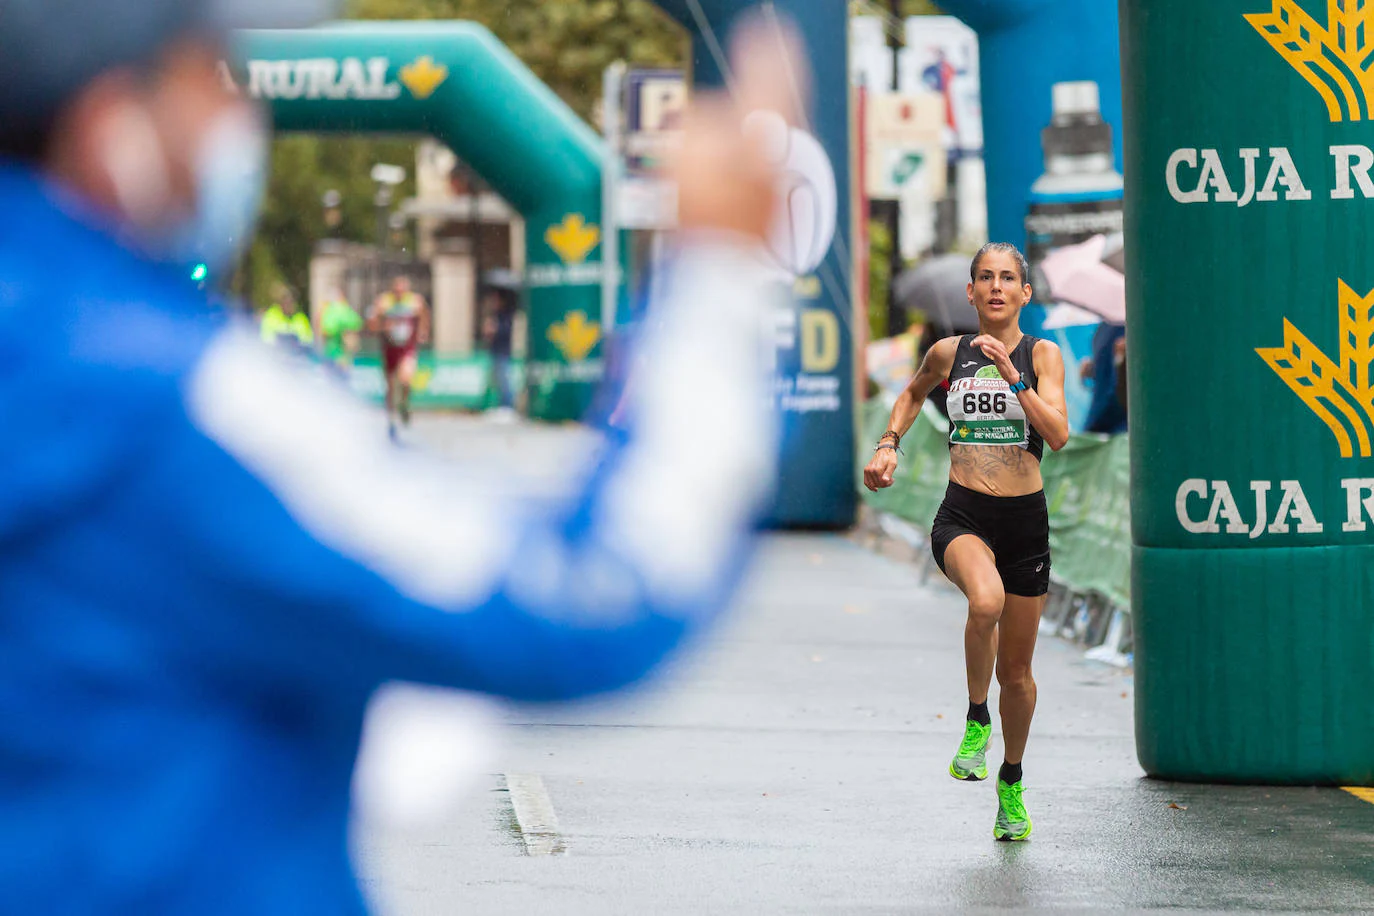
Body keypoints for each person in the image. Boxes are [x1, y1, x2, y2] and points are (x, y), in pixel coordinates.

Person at [0, 0, 802, 909]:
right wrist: (719, 274)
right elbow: (591, 589)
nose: (239, 121)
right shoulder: (176, 399)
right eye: (210, 83)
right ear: (114, 130)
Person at [863, 242, 1069, 842]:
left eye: (1009, 278)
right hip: (964, 515)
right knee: (986, 603)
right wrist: (887, 444)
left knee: (1021, 675)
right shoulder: (947, 353)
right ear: (972, 293)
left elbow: (1057, 435)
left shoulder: (1042, 354)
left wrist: (1016, 380)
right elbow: (908, 394)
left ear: (1025, 294)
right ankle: (977, 717)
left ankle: (1011, 781)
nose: (997, 287)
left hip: (1025, 522)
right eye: (986, 278)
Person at [368, 274, 429, 435]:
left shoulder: (415, 301)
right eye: (397, 290)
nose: (399, 293)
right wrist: (382, 326)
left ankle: (404, 404)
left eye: (402, 290)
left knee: (405, 379)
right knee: (390, 385)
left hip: (407, 347)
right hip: (389, 348)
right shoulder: (384, 302)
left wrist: (422, 332)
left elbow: (424, 315)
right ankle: (391, 417)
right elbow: (372, 323)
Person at [480, 270, 519, 419]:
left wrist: (495, 329)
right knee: (496, 378)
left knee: (505, 379)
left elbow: (506, 330)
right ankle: (498, 405)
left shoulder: (507, 313)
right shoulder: (496, 313)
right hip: (495, 350)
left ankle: (507, 406)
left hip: (503, 350)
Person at [1079, 320, 1127, 433]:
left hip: (1123, 422)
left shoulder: (1135, 324)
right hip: (1100, 418)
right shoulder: (1105, 326)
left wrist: (1121, 364)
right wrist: (1094, 367)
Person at [317, 286, 364, 371]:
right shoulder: (346, 308)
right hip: (344, 354)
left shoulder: (329, 310)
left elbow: (325, 331)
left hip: (332, 352)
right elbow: (358, 324)